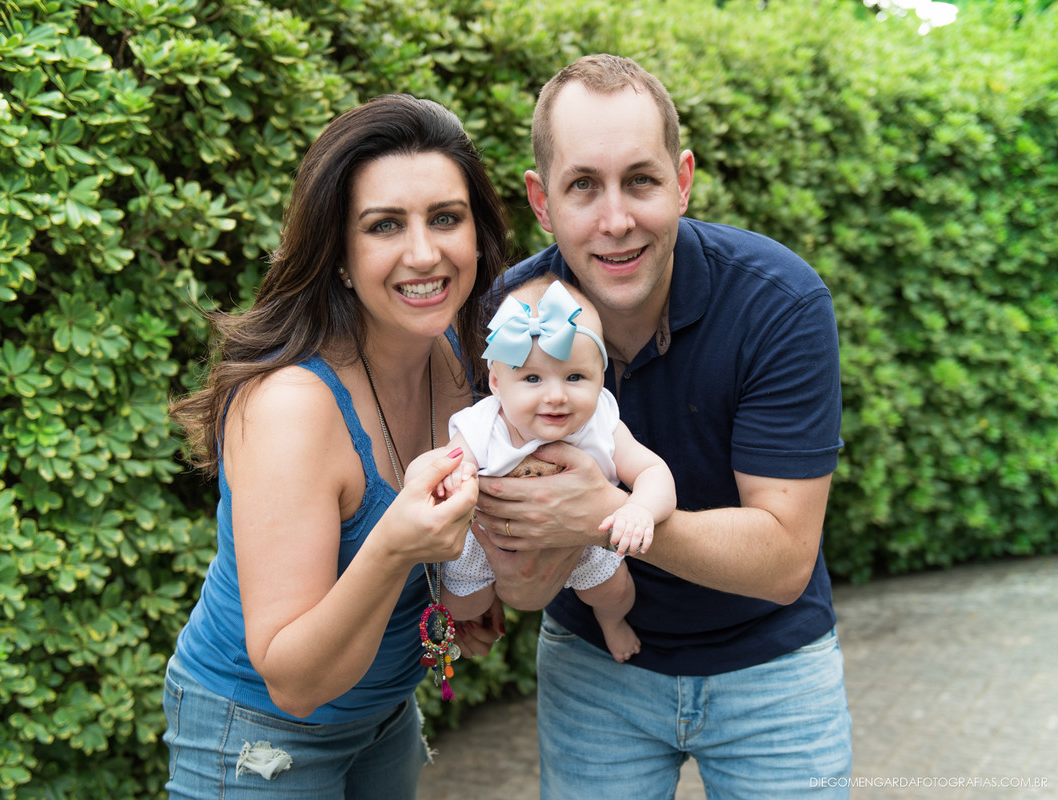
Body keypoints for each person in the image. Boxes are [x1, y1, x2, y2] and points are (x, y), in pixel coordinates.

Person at [468, 55, 852, 798]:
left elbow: (782, 560)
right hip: (595, 671)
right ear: (542, 202)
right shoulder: (510, 316)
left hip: (774, 674)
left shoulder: (781, 303)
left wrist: (606, 516)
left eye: (640, 180)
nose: (616, 220)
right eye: (584, 185)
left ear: (682, 181)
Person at [162, 93, 510, 799]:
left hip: (384, 715)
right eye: (385, 225)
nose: (425, 253)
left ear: (477, 235)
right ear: (341, 255)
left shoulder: (456, 352)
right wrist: (396, 546)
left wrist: (453, 595)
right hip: (259, 734)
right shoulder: (292, 407)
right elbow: (290, 679)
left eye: (446, 218)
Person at [423, 277, 675, 663]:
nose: (556, 395)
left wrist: (640, 509)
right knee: (462, 602)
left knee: (616, 593)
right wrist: (456, 478)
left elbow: (654, 472)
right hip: (489, 537)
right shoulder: (482, 424)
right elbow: (445, 465)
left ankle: (611, 624)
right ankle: (476, 619)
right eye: (532, 378)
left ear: (600, 378)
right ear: (495, 382)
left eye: (575, 377)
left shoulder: (601, 423)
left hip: (587, 539)